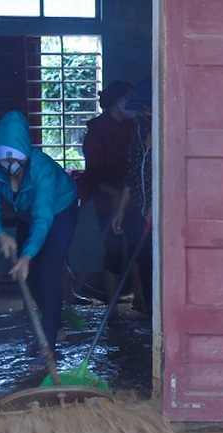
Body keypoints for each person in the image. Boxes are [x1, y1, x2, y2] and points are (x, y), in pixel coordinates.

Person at [0, 111, 78, 363]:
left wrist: (27, 254)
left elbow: (44, 216)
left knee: (46, 274)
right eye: (5, 162)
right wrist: (0, 234)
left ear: (26, 154)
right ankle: (52, 326)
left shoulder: (42, 167)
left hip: (58, 211)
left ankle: (49, 346)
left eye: (17, 163)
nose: (12, 169)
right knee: (30, 278)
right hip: (26, 215)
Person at [81, 81, 136, 305]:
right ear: (118, 101)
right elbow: (93, 175)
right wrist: (116, 198)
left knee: (137, 248)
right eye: (129, 98)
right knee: (113, 249)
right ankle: (112, 306)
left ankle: (140, 300)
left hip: (133, 197)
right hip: (108, 200)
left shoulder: (132, 127)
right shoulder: (98, 131)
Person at [111, 78, 153, 317]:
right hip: (139, 211)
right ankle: (151, 320)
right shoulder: (138, 133)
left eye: (146, 109)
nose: (143, 114)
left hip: (162, 216)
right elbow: (131, 176)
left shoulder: (168, 134)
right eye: (141, 110)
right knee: (144, 262)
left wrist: (157, 208)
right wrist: (121, 210)